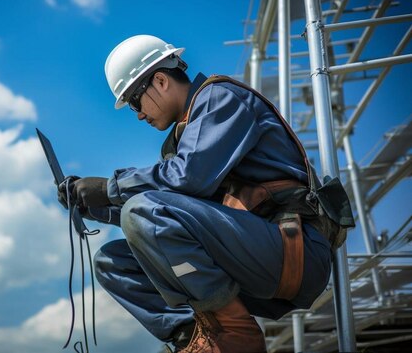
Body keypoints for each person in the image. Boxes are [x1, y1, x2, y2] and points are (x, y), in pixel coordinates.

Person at [57, 35, 350, 352]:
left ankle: (232, 335)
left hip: (292, 250)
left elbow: (186, 180)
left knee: (144, 210)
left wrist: (109, 188)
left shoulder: (221, 99)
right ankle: (194, 335)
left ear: (160, 80)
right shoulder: (184, 135)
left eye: (134, 101)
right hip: (251, 254)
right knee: (113, 263)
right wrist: (98, 206)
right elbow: (174, 218)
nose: (138, 113)